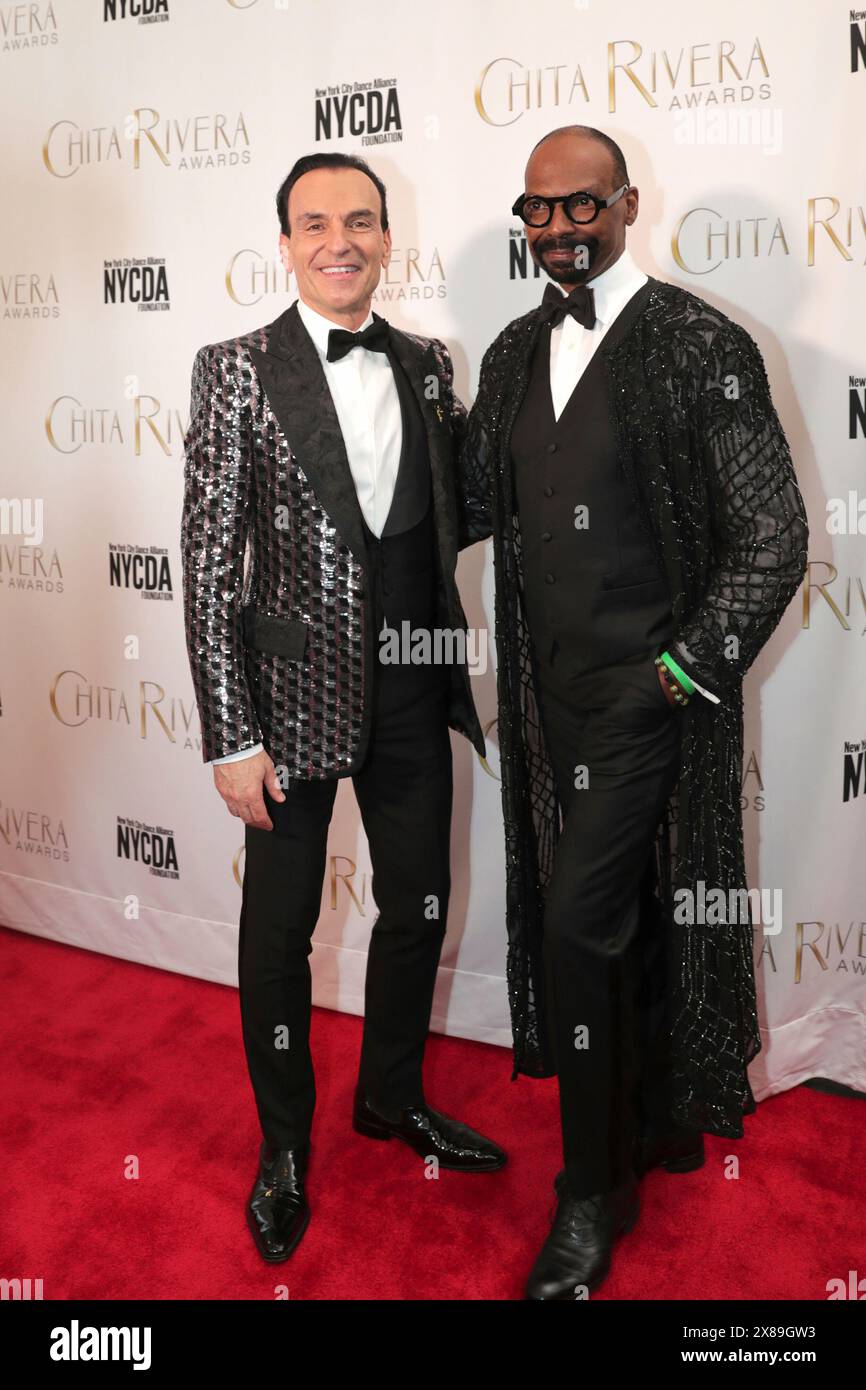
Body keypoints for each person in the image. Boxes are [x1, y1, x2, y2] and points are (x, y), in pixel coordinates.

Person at [458, 125, 809, 1299]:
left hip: (648, 700)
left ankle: (589, 1193)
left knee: (575, 929)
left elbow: (773, 534)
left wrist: (683, 671)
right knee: (619, 919)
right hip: (545, 702)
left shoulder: (698, 342)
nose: (559, 229)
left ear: (624, 205)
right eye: (538, 210)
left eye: (581, 206)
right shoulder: (509, 353)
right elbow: (461, 498)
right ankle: (653, 1115)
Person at [181, 151, 505, 1266]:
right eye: (314, 223)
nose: (338, 240)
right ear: (283, 243)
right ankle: (281, 1147)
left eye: (359, 221)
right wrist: (231, 734)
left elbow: (448, 517)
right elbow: (208, 563)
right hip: (287, 704)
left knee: (416, 905)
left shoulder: (428, 364)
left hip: (414, 686)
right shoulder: (232, 369)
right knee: (279, 936)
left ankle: (390, 1095)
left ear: (384, 235)